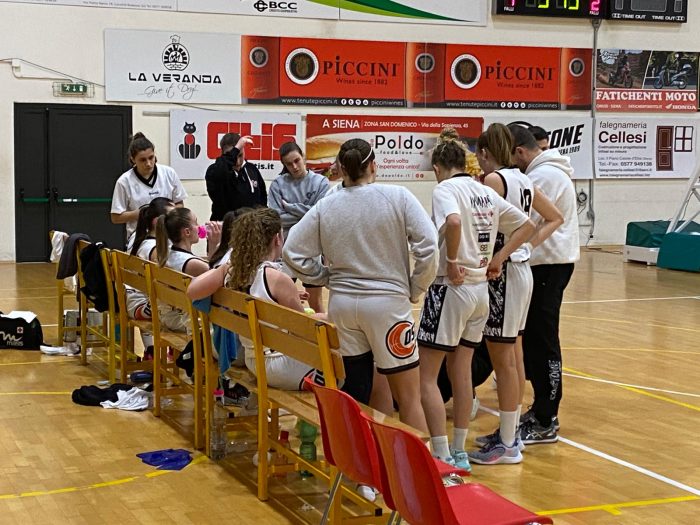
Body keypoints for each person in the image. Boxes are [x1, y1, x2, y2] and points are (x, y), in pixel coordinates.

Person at [282, 138, 438, 431]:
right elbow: (429, 247)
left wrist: (325, 278)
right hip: (388, 305)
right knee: (408, 398)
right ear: (373, 166)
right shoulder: (398, 196)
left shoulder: (326, 205)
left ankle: (364, 471)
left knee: (358, 392)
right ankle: (413, 476)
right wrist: (416, 287)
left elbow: (292, 251)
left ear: (340, 169)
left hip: (343, 305)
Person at [417, 128, 534, 470]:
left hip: (452, 288)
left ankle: (439, 453)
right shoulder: (481, 190)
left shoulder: (446, 189)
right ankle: (459, 452)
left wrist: (452, 259)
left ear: (438, 167)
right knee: (462, 369)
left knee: (427, 375)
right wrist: (498, 259)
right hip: (481, 289)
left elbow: (453, 221)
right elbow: (526, 225)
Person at [467, 124, 563, 465]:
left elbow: (487, 229)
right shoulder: (524, 179)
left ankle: (508, 443)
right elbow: (554, 218)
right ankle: (509, 434)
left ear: (483, 152)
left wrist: (502, 254)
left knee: (504, 360)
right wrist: (524, 249)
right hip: (518, 272)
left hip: (505, 274)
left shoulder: (494, 181)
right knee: (514, 356)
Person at [186, 208, 323, 391]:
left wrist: (223, 269)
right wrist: (330, 318)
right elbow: (303, 329)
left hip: (252, 359)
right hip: (277, 365)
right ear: (277, 238)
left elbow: (192, 291)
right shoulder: (278, 279)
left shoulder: (233, 272)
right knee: (345, 365)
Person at [508, 124, 580, 444]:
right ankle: (540, 409)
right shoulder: (543, 172)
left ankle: (547, 417)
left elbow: (527, 225)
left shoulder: (544, 177)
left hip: (549, 267)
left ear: (520, 152)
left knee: (544, 340)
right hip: (544, 266)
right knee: (535, 340)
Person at [268, 142, 330, 314]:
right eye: (289, 164)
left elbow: (321, 214)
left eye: (297, 160)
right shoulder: (278, 185)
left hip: (312, 251)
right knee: (286, 303)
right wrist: (307, 212)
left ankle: (320, 340)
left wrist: (291, 207)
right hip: (285, 250)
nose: (294, 167)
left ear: (303, 157)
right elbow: (276, 217)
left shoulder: (321, 183)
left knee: (315, 303)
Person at [111, 133, 187, 245]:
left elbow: (180, 204)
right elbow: (115, 217)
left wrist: (168, 212)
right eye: (142, 160)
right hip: (140, 236)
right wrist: (141, 214)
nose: (148, 163)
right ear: (133, 159)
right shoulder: (124, 181)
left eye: (151, 157)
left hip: (168, 232)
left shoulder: (169, 173)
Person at [155, 207, 212, 332]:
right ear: (187, 232)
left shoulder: (170, 254)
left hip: (172, 315)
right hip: (185, 319)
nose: (199, 226)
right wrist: (215, 243)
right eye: (196, 222)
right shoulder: (192, 264)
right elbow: (218, 274)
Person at [205, 133, 267, 221]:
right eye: (234, 155)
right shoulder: (215, 170)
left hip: (250, 228)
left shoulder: (251, 169)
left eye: (240, 155)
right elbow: (220, 173)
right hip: (225, 226)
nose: (237, 162)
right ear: (223, 154)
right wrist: (237, 148)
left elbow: (262, 199)